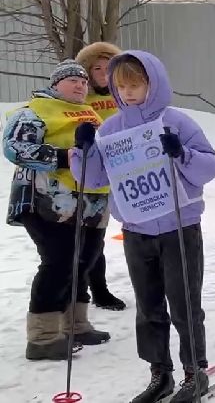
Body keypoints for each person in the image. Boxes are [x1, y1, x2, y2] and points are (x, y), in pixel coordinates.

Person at [71, 51, 215, 403]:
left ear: (152, 83)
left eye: (135, 85)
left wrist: (181, 152)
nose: (128, 93)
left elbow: (209, 168)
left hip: (179, 227)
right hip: (137, 230)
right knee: (149, 305)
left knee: (183, 303)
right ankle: (160, 373)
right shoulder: (111, 128)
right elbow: (93, 179)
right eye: (121, 86)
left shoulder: (176, 122)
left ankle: (194, 371)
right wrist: (83, 150)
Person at [4, 60, 112, 361]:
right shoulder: (35, 110)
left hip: (92, 202)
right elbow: (15, 147)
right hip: (47, 202)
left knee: (84, 262)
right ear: (55, 85)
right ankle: (43, 337)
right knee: (59, 261)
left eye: (83, 81)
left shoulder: (91, 114)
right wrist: (67, 157)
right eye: (72, 80)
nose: (80, 85)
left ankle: (75, 325)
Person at [74, 41, 127, 311]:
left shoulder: (126, 95)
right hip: (93, 176)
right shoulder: (81, 99)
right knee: (92, 239)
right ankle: (96, 290)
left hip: (125, 173)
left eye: (109, 68)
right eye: (97, 68)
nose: (104, 74)